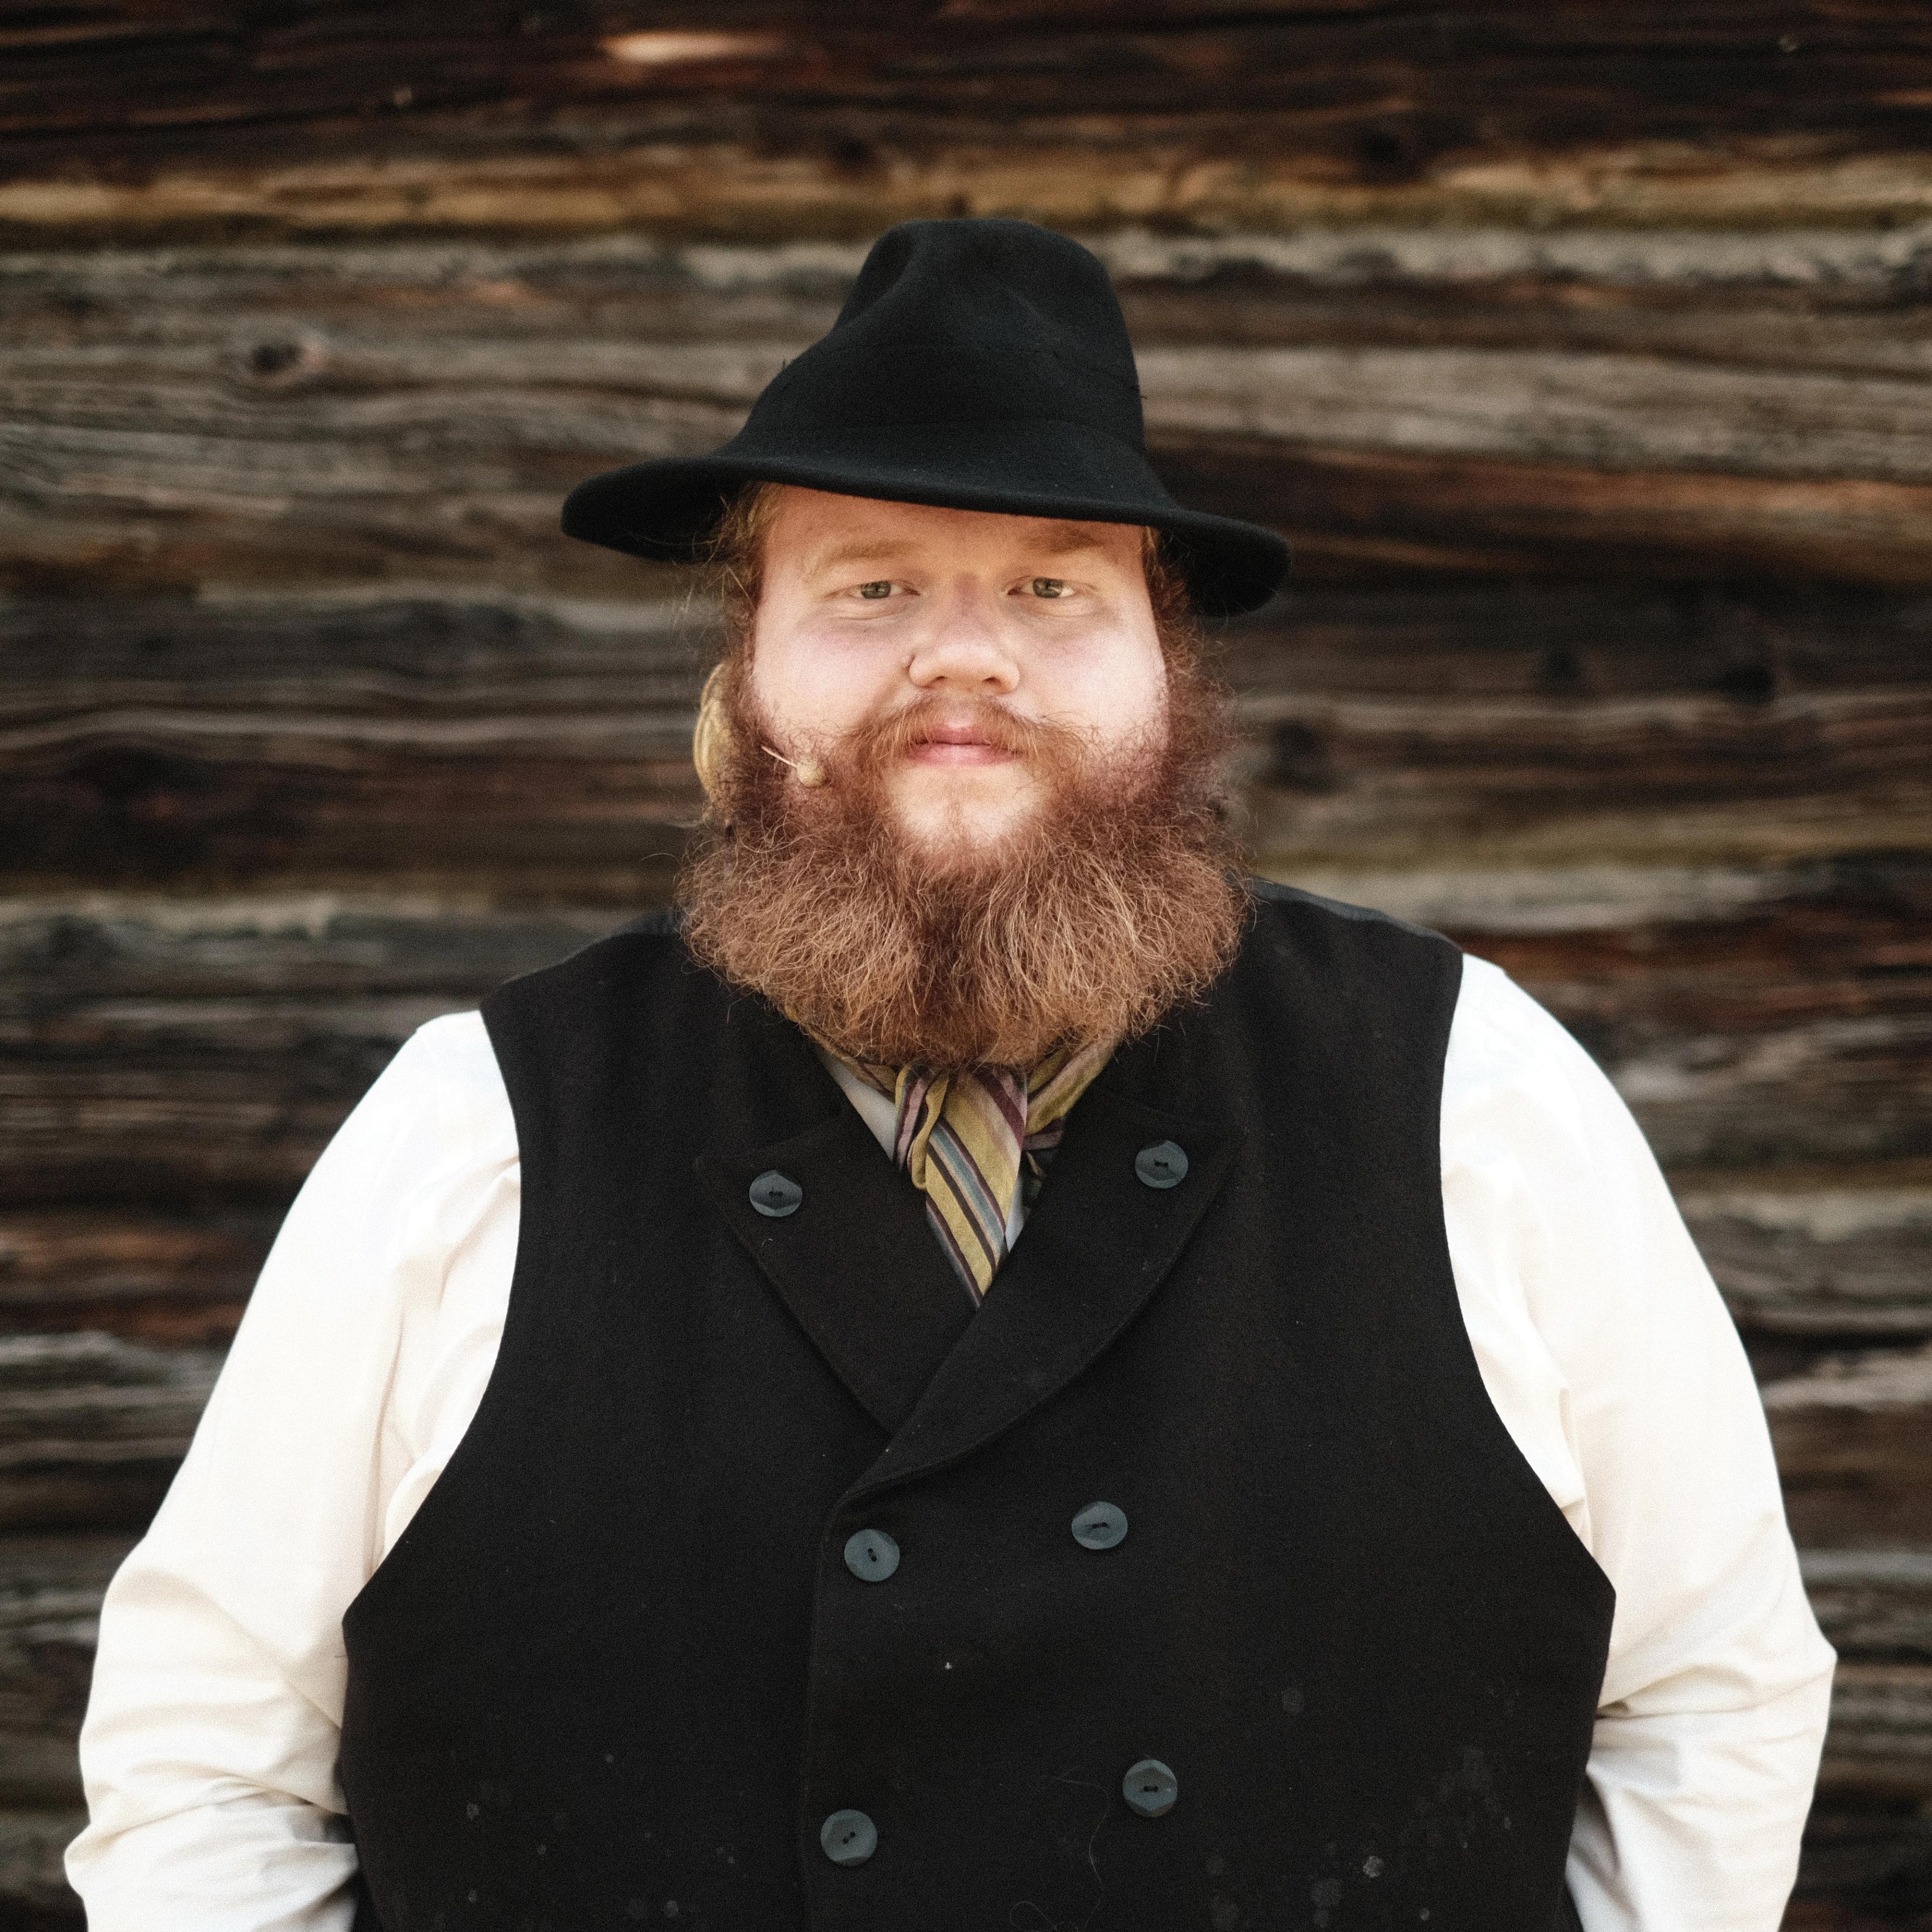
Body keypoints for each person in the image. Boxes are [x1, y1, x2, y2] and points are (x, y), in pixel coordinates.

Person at [68, 218, 1831, 1932]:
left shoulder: (1473, 1095)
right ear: (747, 667)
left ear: (1167, 670)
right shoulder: (476, 1130)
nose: (965, 656)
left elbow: (1712, 1691)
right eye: (872, 587)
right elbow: (206, 1773)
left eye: (1055, 588)